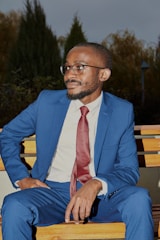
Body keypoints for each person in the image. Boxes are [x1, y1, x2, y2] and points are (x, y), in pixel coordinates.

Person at [0, 42, 154, 240]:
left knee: (139, 199)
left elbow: (128, 170)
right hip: (51, 194)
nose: (70, 75)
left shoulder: (121, 111)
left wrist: (95, 184)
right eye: (67, 67)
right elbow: (8, 135)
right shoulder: (47, 103)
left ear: (103, 75)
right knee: (14, 205)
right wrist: (22, 178)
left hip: (101, 199)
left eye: (80, 67)